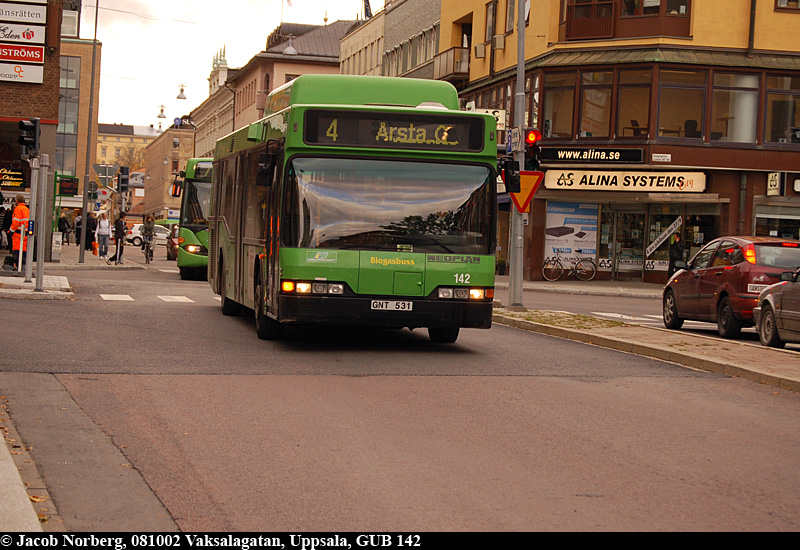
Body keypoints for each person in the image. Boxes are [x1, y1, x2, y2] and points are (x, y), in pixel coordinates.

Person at [9, 194, 29, 269]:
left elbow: (16, 222)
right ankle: (22, 267)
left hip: (18, 234)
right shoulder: (27, 209)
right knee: (23, 251)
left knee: (17, 252)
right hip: (25, 234)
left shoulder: (18, 209)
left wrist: (11, 231)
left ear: (16, 201)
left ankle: (18, 267)